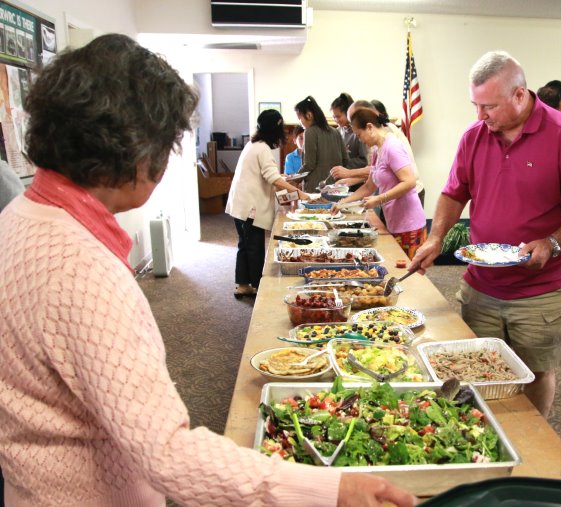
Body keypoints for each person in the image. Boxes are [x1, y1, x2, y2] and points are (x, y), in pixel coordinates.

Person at [0, 33, 414, 507]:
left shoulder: (17, 218)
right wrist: (328, 490)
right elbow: (167, 453)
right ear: (138, 150)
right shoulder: (79, 270)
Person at [408, 50, 561, 418]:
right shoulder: (474, 136)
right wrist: (435, 238)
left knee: (535, 372)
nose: (480, 116)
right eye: (476, 105)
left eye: (489, 107)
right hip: (482, 285)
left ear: (520, 95)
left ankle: (534, 443)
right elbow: (454, 192)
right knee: (475, 371)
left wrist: (552, 242)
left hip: (542, 289)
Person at [226, 109, 310, 299]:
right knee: (254, 247)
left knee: (244, 245)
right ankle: (258, 287)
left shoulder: (253, 144)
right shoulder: (262, 148)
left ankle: (243, 285)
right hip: (249, 207)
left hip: (240, 204)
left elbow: (264, 174)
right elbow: (272, 177)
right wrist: (300, 193)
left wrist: (282, 178)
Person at [332, 108, 427, 259]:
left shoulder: (392, 147)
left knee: (408, 273)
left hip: (409, 224)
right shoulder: (377, 150)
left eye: (359, 135)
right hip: (395, 221)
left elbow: (409, 182)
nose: (360, 140)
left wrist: (379, 199)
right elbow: (369, 186)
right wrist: (342, 203)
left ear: (370, 127)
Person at [294, 95, 348, 192]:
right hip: (335, 188)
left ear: (309, 115)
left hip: (315, 188)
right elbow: (345, 160)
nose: (300, 123)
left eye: (299, 118)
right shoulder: (335, 132)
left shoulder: (309, 132)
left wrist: (295, 180)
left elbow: (309, 164)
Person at [331, 92, 367, 170]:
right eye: (334, 117)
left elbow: (364, 160)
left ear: (348, 113)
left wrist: (342, 164)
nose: (336, 120)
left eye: (338, 116)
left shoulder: (359, 132)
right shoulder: (337, 131)